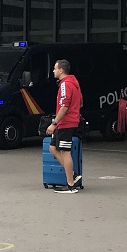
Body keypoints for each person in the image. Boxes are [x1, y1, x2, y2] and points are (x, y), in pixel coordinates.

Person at [44, 59, 82, 193]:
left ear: (61, 70)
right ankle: (72, 175)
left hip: (66, 122)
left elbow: (64, 106)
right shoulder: (75, 83)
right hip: (69, 121)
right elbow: (80, 102)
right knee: (53, 148)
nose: (53, 71)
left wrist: (54, 123)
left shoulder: (65, 85)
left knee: (65, 152)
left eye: (55, 68)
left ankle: (70, 184)